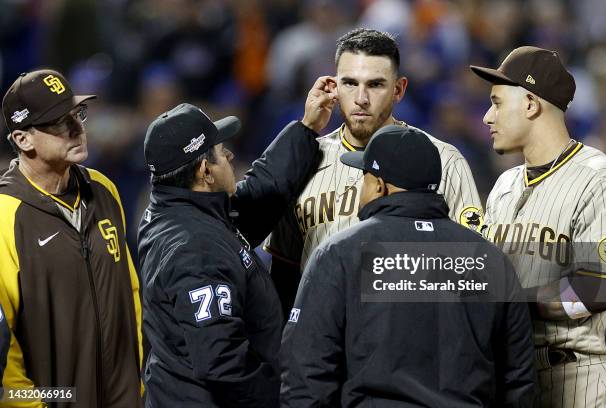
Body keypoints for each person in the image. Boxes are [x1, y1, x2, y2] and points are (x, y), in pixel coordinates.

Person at [280, 124, 536, 407]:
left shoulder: (340, 253)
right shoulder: (490, 260)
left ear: (379, 185)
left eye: (363, 178)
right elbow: (519, 379)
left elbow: (306, 371)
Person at [137, 78, 334, 407]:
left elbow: (257, 196)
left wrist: (305, 128)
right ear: (205, 171)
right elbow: (223, 365)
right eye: (219, 151)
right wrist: (285, 400)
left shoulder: (181, 210)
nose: (229, 154)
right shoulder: (194, 247)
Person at [265, 28, 483, 317]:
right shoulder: (303, 159)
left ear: (399, 89)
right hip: (322, 342)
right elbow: (285, 273)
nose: (361, 98)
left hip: (408, 341)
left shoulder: (445, 160)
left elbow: (472, 270)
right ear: (333, 86)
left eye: (376, 84)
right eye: (350, 83)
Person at [471, 46, 606, 407]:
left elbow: (596, 288)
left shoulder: (598, 178)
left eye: (497, 103)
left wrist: (513, 303)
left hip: (578, 378)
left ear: (531, 104)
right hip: (512, 379)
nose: (488, 116)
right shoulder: (504, 186)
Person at [0, 70, 143, 407]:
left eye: (77, 114)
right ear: (23, 139)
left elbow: (130, 292)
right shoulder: (6, 217)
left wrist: (136, 384)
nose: (78, 129)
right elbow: (2, 347)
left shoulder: (103, 189)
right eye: (58, 122)